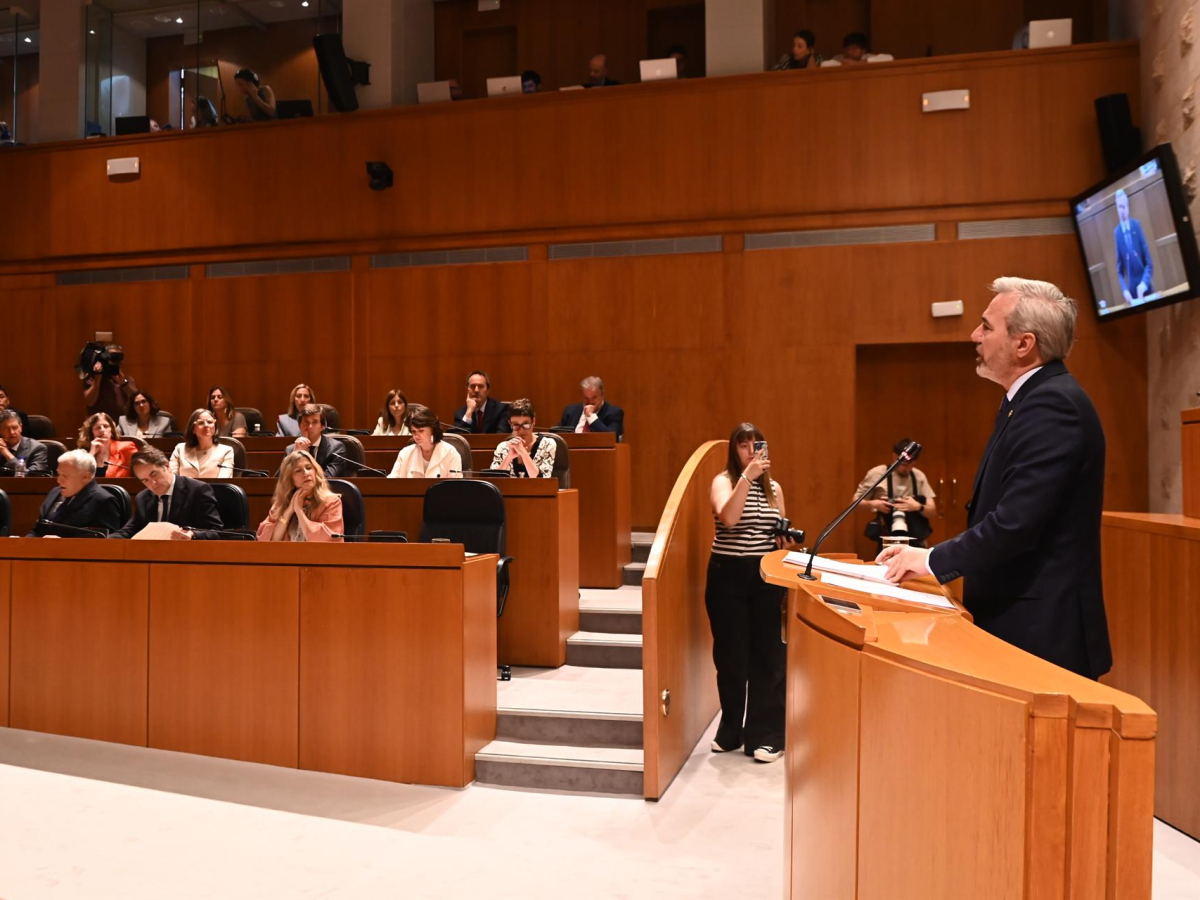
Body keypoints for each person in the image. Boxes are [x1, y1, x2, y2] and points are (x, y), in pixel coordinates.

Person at [878, 277, 1112, 679]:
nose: (974, 335)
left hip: (1042, 631)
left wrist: (930, 559)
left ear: (1024, 344)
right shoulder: (1026, 400)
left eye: (986, 326)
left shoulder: (1053, 405)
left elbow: (1014, 525)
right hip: (1020, 620)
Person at [705, 423, 798, 763]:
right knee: (730, 657)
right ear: (734, 450)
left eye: (756, 445)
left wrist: (785, 541)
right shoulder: (724, 481)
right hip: (727, 576)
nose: (750, 451)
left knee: (768, 657)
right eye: (743, 445)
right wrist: (747, 476)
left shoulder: (774, 488)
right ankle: (731, 728)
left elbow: (778, 532)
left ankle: (767, 735)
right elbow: (729, 518)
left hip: (765, 576)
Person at [110, 447, 224, 540]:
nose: (153, 483)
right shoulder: (143, 498)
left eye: (154, 474)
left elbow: (216, 531)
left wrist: (193, 535)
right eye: (145, 480)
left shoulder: (198, 490)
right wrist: (105, 540)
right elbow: (129, 531)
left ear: (167, 466)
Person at [855, 438, 938, 552]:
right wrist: (874, 504)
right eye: (904, 464)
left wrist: (917, 506)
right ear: (894, 457)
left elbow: (932, 511)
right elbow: (855, 503)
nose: (907, 468)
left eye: (912, 464)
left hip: (915, 541)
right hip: (887, 540)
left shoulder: (918, 476)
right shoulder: (877, 474)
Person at [28, 450, 123, 536]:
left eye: (65, 476)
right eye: (59, 474)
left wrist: (60, 544)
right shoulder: (54, 492)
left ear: (85, 477)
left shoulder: (104, 501)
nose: (58, 480)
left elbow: (105, 542)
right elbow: (37, 530)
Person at [256, 450, 344, 542]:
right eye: (298, 471)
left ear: (315, 471)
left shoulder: (331, 502)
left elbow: (326, 540)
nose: (306, 473)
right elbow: (269, 542)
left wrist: (299, 511)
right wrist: (288, 512)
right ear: (289, 479)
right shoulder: (281, 503)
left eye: (309, 468)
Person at [387, 405, 463, 478]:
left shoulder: (450, 453)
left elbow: (456, 485)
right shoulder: (405, 453)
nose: (416, 436)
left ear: (432, 429)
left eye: (421, 431)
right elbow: (392, 481)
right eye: (414, 431)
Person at [490, 398, 556, 478]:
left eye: (526, 424)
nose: (521, 430)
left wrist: (523, 453)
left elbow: (542, 481)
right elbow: (495, 480)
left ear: (533, 421)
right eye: (516, 425)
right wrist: (508, 457)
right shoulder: (503, 447)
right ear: (510, 423)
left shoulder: (547, 444)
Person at [1113, 189, 1154, 305]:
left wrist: (1144, 284)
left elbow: (1149, 263)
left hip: (1146, 289)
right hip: (1132, 295)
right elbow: (1120, 272)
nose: (1122, 210)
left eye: (1124, 207)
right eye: (1119, 207)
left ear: (1128, 208)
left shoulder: (1136, 225)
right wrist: (1124, 290)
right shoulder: (1117, 233)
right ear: (1117, 208)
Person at [285, 404, 348, 478]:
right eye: (306, 422)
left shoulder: (336, 449)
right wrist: (295, 456)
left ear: (323, 426)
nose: (310, 426)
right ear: (299, 425)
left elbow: (328, 479)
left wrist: (305, 455)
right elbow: (280, 480)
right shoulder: (291, 450)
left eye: (315, 422)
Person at [169, 409, 235, 478]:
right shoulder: (180, 449)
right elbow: (172, 479)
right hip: (184, 485)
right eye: (201, 423)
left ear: (215, 426)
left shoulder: (226, 451)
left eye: (210, 422)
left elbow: (224, 481)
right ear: (193, 429)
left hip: (214, 486)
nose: (206, 425)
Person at [83, 343, 137, 420]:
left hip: (121, 423)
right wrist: (97, 380)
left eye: (118, 357)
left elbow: (137, 399)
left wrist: (124, 383)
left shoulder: (127, 379)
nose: (114, 361)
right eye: (111, 357)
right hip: (99, 422)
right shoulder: (93, 378)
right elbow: (90, 402)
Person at [559, 375, 624, 437]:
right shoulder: (570, 411)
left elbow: (611, 437)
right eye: (586, 398)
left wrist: (591, 416)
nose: (590, 402)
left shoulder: (614, 413)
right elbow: (558, 434)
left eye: (594, 398)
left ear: (602, 395)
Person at [77, 412, 138, 478]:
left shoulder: (126, 448)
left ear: (111, 430)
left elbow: (140, 472)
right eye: (98, 427)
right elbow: (77, 477)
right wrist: (91, 454)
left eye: (106, 426)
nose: (102, 430)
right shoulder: (84, 453)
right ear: (91, 433)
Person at [0, 409, 49, 475]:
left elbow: (32, 476)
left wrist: (7, 454)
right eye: (6, 429)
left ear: (21, 427)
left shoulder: (38, 448)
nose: (12, 432)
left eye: (15, 427)